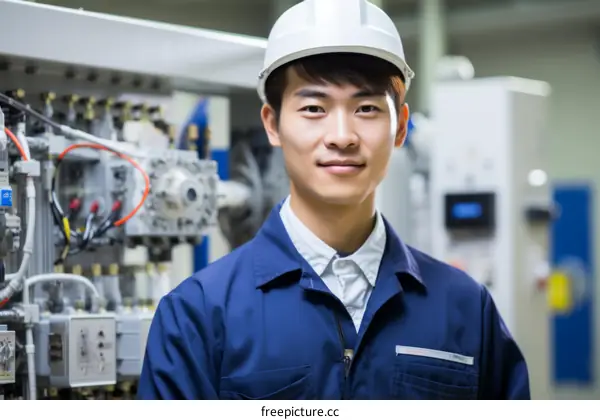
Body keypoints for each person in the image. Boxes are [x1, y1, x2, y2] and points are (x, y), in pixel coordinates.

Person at [137, 0, 530, 400]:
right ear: (272, 124)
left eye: (366, 108)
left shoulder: (464, 306)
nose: (341, 136)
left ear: (401, 128)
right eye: (313, 108)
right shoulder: (198, 314)